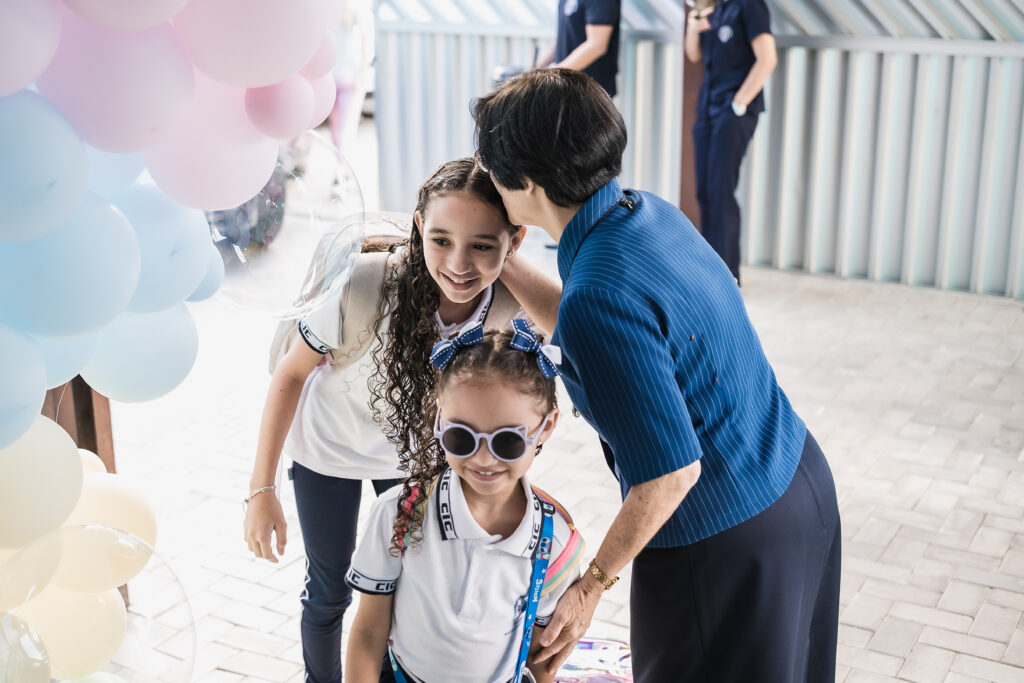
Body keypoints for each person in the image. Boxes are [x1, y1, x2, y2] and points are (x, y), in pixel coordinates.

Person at [474, 68, 841, 682]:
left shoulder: (598, 292)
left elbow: (670, 473)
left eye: (492, 171)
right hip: (798, 484)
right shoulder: (647, 215)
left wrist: (589, 588)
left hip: (724, 544)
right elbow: (599, 323)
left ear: (527, 184)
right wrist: (501, 261)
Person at [243, 158, 556, 683]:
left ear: (514, 243)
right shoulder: (362, 284)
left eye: (482, 244)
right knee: (329, 590)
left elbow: (567, 331)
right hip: (329, 452)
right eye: (440, 239)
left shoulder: (509, 309)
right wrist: (261, 490)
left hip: (421, 458)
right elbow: (290, 376)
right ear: (417, 229)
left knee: (400, 587)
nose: (458, 264)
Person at [344, 324, 584, 683]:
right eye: (462, 437)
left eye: (506, 442)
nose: (484, 460)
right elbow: (367, 636)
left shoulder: (556, 542)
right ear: (440, 418)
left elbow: (541, 658)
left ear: (546, 427)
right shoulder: (400, 513)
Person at [685, 0, 777, 284]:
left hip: (734, 111)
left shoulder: (749, 6)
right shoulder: (714, 8)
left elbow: (768, 59)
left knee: (721, 192)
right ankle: (709, 269)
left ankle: (727, 276)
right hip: (708, 109)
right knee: (704, 193)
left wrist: (739, 103)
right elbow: (694, 55)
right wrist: (693, 26)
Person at [535, 0, 621, 98]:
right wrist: (535, 70)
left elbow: (597, 45)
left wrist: (552, 74)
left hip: (590, 93)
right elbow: (563, 37)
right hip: (565, 86)